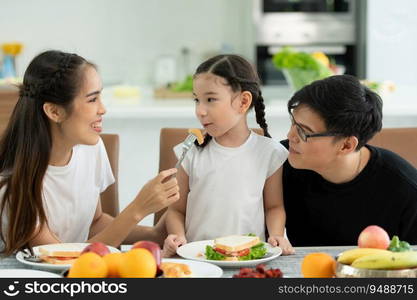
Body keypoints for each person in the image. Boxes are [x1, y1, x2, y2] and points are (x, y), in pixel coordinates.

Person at [0, 50, 180, 256]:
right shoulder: (14, 183)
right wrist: (137, 210)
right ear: (54, 112)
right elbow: (61, 260)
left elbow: (94, 223)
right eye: (92, 99)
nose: (103, 109)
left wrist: (155, 234)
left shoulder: (91, 149)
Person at [163, 54, 294, 257]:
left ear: (243, 101)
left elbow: (274, 207)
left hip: (248, 258)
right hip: (199, 258)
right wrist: (177, 236)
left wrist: (277, 235)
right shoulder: (191, 152)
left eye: (210, 99)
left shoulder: (269, 153)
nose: (200, 111)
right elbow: (176, 210)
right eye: (197, 100)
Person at [281, 74, 417, 246]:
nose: (290, 136)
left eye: (303, 131)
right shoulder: (280, 162)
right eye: (293, 123)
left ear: (346, 145)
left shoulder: (406, 191)